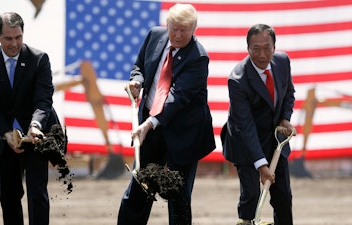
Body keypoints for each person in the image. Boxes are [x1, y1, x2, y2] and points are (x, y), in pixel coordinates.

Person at [118, 3, 216, 225]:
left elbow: (177, 98)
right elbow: (140, 66)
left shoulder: (198, 57)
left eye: (184, 30)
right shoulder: (154, 35)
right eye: (174, 29)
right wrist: (137, 81)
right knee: (138, 190)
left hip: (184, 134)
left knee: (178, 198)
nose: (178, 35)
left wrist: (150, 123)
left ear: (194, 29)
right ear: (167, 25)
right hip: (151, 131)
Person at [0, 12, 60, 225]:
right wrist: (6, 133)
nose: (14, 43)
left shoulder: (39, 59)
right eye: (8, 38)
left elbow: (43, 100)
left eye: (18, 37)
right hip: (6, 140)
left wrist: (35, 125)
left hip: (36, 137)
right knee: (8, 196)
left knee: (37, 194)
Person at [220, 24, 296, 225]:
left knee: (283, 197)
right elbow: (244, 125)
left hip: (275, 140)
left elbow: (288, 93)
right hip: (245, 143)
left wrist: (285, 118)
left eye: (267, 47)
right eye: (256, 48)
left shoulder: (282, 62)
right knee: (252, 196)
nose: (262, 54)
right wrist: (261, 164)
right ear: (248, 49)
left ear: (274, 47)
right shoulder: (237, 80)